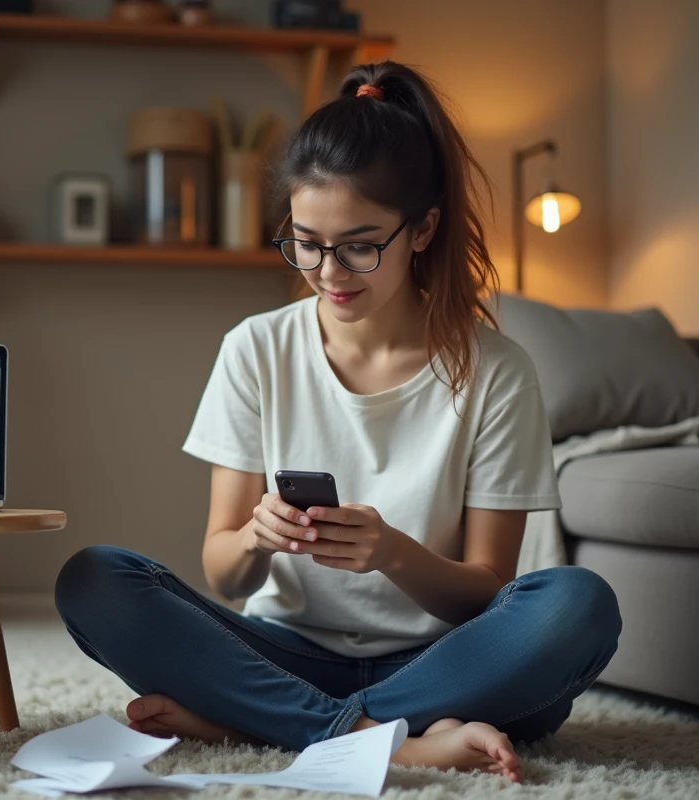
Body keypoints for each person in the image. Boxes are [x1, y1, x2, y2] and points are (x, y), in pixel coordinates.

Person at [55, 61, 621, 783]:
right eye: (307, 241)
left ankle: (257, 722)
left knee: (578, 606)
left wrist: (392, 553)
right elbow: (224, 572)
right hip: (283, 652)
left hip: (442, 662)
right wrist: (256, 536)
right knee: (94, 579)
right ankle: (385, 738)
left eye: (359, 245)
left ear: (423, 229)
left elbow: (485, 592)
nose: (328, 272)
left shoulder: (498, 371)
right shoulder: (255, 348)